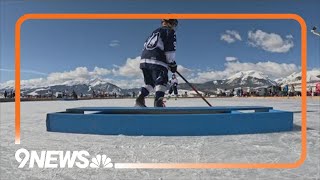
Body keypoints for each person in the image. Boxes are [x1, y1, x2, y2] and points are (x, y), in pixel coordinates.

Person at [135, 18, 178, 107]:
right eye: (174, 24)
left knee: (149, 83)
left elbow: (146, 45)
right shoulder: (169, 31)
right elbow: (170, 49)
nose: (174, 26)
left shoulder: (154, 32)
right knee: (162, 81)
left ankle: (140, 99)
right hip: (157, 60)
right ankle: (158, 103)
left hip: (144, 61)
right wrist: (172, 63)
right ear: (170, 23)